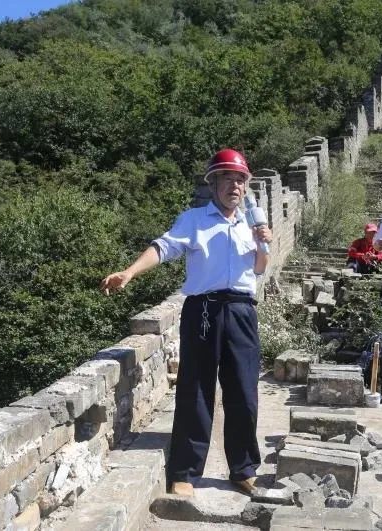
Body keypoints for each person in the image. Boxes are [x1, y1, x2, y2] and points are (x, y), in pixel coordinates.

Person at [100, 148, 272, 497]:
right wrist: (130, 271)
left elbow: (258, 269)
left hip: (242, 311)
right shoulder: (194, 220)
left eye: (240, 179)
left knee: (243, 391)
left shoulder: (251, 223)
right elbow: (163, 248)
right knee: (196, 389)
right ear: (213, 183)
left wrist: (263, 245)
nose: (235, 186)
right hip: (204, 311)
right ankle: (185, 471)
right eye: (227, 178)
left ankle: (243, 469)